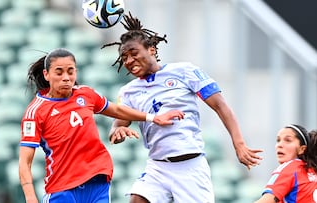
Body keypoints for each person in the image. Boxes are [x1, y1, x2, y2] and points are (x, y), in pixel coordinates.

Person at [102, 12, 263, 203]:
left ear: (152, 49)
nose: (128, 61)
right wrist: (118, 130)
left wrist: (239, 144)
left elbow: (220, 106)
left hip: (190, 166)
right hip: (158, 167)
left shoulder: (184, 71)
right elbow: (116, 127)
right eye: (124, 57)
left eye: (134, 53)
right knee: (137, 199)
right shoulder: (128, 92)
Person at [18, 48, 185, 203]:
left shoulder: (86, 94)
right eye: (59, 72)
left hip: (97, 180)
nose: (66, 77)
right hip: (62, 188)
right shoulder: (36, 112)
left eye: (71, 71)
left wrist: (153, 118)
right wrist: (30, 197)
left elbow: (118, 111)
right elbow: (25, 162)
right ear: (47, 74)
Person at [254, 124, 317, 203]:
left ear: (302, 149)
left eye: (288, 140)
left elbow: (266, 201)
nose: (279, 145)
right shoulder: (314, 174)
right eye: (278, 140)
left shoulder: (289, 168)